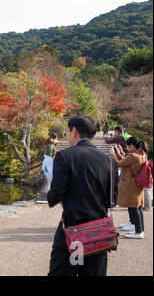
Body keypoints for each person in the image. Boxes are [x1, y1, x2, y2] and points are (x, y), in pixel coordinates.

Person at [47, 115, 118, 276]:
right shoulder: (109, 161)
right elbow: (113, 199)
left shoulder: (65, 156)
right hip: (99, 233)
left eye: (68, 131)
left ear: (75, 132)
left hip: (72, 232)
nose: (67, 135)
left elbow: (54, 195)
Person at [109, 136, 148, 239]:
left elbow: (119, 164)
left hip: (131, 185)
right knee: (137, 207)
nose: (126, 148)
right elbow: (127, 162)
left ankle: (138, 231)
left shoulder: (133, 156)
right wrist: (119, 154)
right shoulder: (141, 155)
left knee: (133, 208)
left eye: (127, 146)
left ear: (132, 146)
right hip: (136, 185)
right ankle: (139, 229)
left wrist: (113, 155)